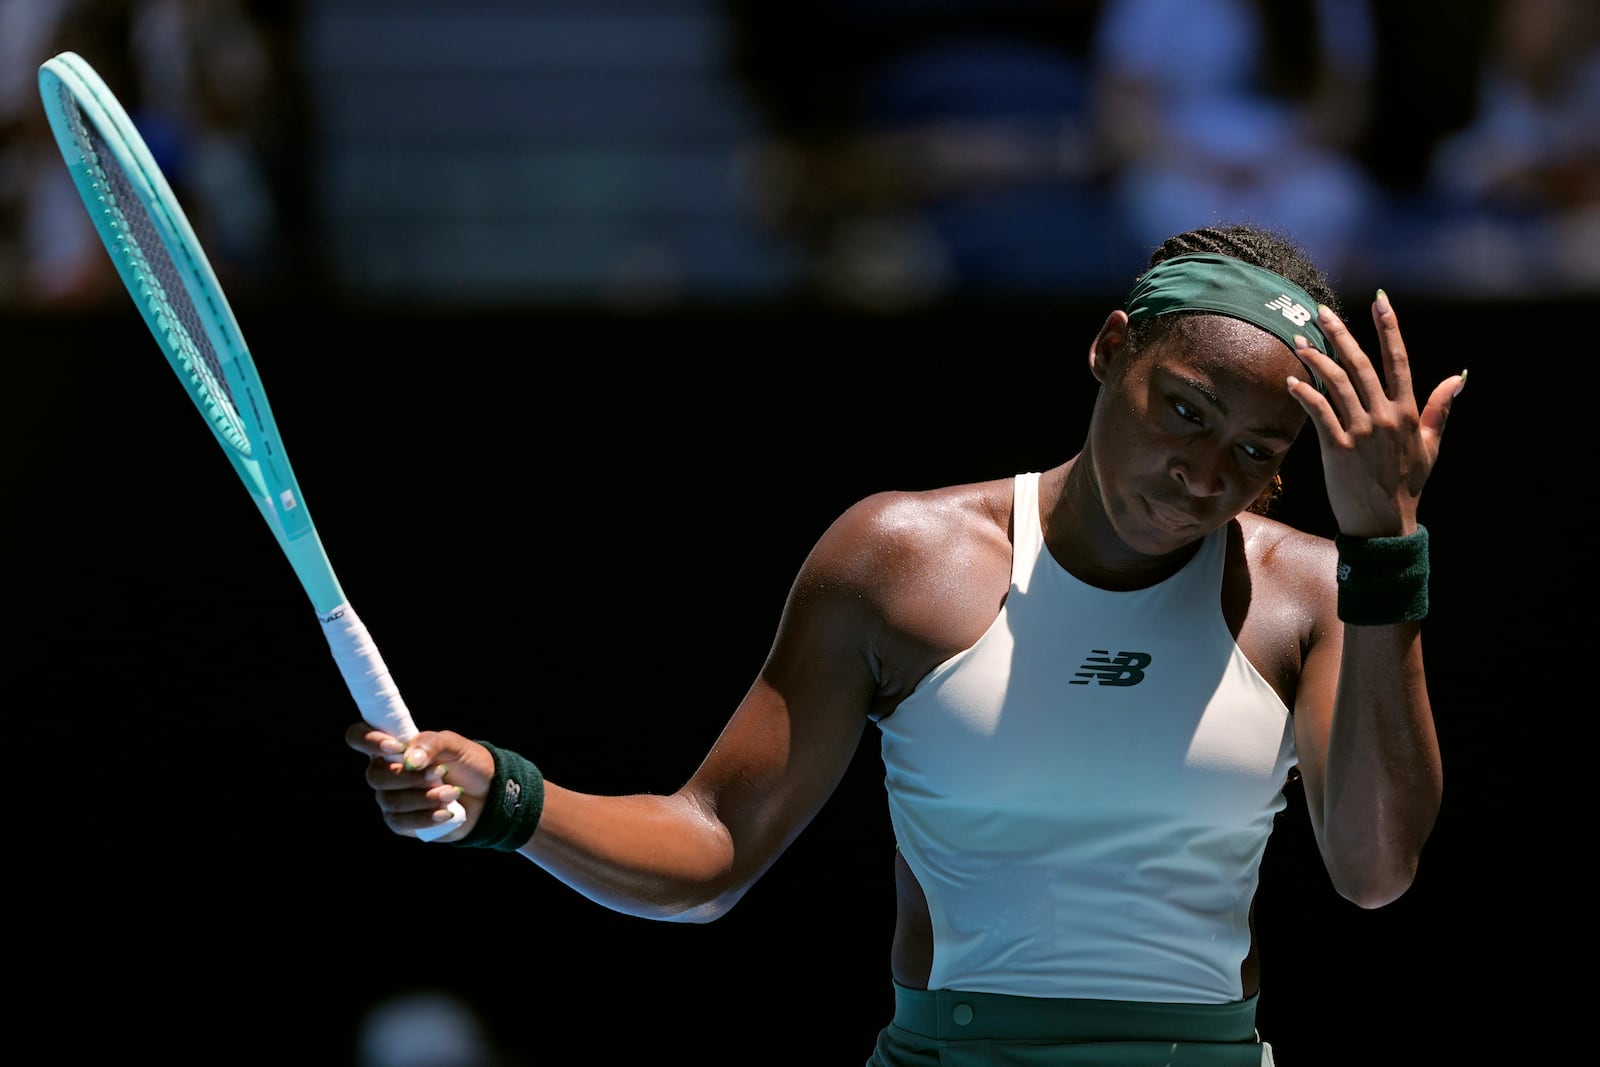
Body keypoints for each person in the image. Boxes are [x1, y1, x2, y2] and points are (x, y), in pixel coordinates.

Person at [347, 223, 1463, 1065]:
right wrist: (509, 797)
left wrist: (1385, 544)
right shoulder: (899, 560)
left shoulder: (1318, 591)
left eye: (1256, 451)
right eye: (1183, 410)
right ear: (1110, 347)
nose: (1205, 476)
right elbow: (712, 845)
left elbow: (1371, 870)